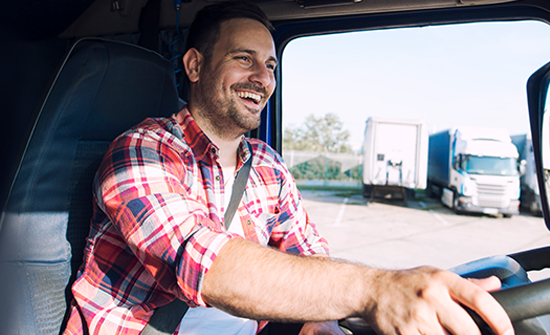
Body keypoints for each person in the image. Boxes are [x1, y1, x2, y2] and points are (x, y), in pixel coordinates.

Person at [63, 1, 514, 334]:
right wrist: (377, 289)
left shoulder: (268, 166)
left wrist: (322, 321)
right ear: (196, 65)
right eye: (244, 59)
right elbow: (206, 264)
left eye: (270, 65)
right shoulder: (142, 150)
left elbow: (309, 255)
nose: (263, 78)